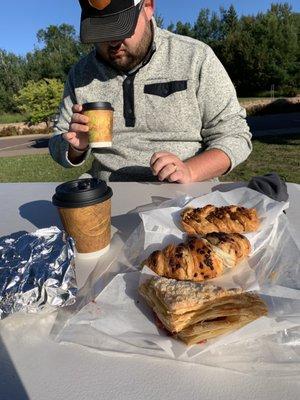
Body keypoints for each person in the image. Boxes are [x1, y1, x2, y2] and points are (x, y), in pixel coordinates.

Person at [49, 0, 252, 183]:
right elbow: (58, 141)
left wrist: (190, 171)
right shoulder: (81, 73)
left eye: (121, 27)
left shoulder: (195, 57)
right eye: (102, 31)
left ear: (148, 6)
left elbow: (235, 135)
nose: (112, 41)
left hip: (187, 195)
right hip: (106, 194)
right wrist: (76, 148)